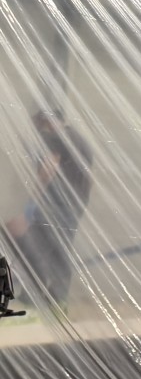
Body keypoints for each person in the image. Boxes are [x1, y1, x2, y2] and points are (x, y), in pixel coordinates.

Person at [4, 110, 93, 306]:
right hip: (74, 202)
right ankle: (50, 295)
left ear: (48, 121)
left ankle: (47, 296)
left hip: (58, 204)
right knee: (56, 246)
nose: (38, 130)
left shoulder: (59, 138)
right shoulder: (79, 139)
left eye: (39, 125)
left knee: (46, 246)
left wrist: (30, 200)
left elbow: (48, 168)